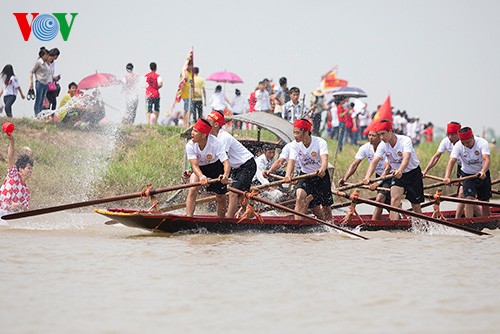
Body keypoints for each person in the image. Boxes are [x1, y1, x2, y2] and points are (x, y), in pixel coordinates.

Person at [363, 120, 424, 220]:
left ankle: (423, 225)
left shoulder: (405, 140)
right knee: (394, 200)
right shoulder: (383, 145)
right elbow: (374, 161)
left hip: (413, 173)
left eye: (383, 134)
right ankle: (394, 226)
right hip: (397, 175)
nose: (381, 138)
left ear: (390, 131)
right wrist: (367, 177)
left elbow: (406, 158)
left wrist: (400, 170)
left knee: (415, 205)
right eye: (379, 135)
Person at [207, 110, 257, 218]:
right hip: (237, 168)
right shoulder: (211, 139)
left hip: (247, 165)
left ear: (216, 125)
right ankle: (252, 218)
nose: (205, 124)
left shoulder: (224, 137)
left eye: (208, 121)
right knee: (240, 196)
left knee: (233, 193)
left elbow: (222, 160)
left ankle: (228, 221)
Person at [284, 119, 333, 221]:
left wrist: (322, 169)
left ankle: (329, 225)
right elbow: (291, 161)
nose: (295, 135)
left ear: (306, 132)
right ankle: (297, 225)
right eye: (294, 132)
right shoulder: (294, 145)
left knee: (325, 206)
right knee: (299, 196)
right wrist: (288, 175)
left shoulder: (320, 142)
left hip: (321, 176)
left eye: (297, 133)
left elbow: (324, 160)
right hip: (305, 175)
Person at [339, 129, 391, 220]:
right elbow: (354, 164)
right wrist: (345, 179)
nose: (370, 138)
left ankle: (373, 223)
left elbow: (387, 169)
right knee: (386, 202)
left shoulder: (385, 147)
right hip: (379, 175)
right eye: (369, 135)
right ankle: (395, 218)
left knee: (380, 199)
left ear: (380, 137)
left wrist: (377, 183)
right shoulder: (365, 148)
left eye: (373, 136)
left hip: (390, 176)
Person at [185, 119, 230, 217]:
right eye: (193, 130)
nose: (192, 133)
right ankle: (188, 217)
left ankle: (221, 221)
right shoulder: (190, 145)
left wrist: (225, 175)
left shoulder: (216, 143)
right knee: (192, 188)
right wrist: (201, 176)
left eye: (195, 131)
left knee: (221, 196)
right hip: (200, 168)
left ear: (203, 135)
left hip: (216, 167)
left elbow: (226, 162)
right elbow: (194, 165)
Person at [422, 121, 468, 218]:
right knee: (464, 196)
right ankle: (458, 219)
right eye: (448, 135)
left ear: (458, 134)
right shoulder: (445, 141)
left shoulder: (464, 142)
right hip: (460, 167)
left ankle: (458, 220)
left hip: (469, 167)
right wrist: (425, 171)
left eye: (453, 135)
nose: (450, 137)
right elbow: (436, 157)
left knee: (463, 195)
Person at [444, 127, 491, 218]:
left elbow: (487, 159)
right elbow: (452, 161)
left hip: (482, 174)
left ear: (472, 137)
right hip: (467, 175)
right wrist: (447, 176)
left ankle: (487, 222)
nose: (466, 145)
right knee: (468, 199)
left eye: (468, 142)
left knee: (484, 201)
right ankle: (469, 222)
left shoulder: (482, 143)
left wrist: (483, 171)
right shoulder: (458, 145)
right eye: (463, 142)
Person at [0, 134, 34, 213]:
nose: (30, 171)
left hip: (7, 216)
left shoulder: (26, 192)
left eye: (31, 169)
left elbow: (25, 209)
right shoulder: (14, 175)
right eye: (28, 168)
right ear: (21, 169)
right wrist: (12, 141)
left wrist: (19, 206)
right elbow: (10, 157)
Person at [29, 47, 52, 117]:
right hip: (39, 82)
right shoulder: (38, 62)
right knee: (38, 100)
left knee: (42, 101)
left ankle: (40, 114)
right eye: (47, 55)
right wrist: (31, 82)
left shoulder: (46, 63)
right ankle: (37, 114)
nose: (48, 56)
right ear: (43, 55)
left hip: (45, 84)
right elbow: (31, 71)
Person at [46, 48, 61, 112]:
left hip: (51, 84)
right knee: (48, 101)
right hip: (46, 84)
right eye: (57, 56)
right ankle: (47, 115)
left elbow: (51, 74)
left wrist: (55, 78)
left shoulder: (53, 62)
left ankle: (51, 115)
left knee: (54, 102)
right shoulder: (46, 62)